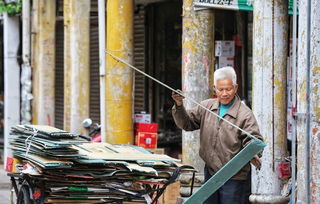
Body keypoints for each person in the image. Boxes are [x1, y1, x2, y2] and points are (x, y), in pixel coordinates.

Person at [171, 66, 263, 204]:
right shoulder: (207, 107)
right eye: (221, 89)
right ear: (215, 88)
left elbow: (254, 140)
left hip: (234, 176)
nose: (224, 93)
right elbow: (187, 124)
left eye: (228, 89)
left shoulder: (244, 114)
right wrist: (179, 105)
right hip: (211, 172)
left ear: (236, 87)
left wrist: (253, 153)